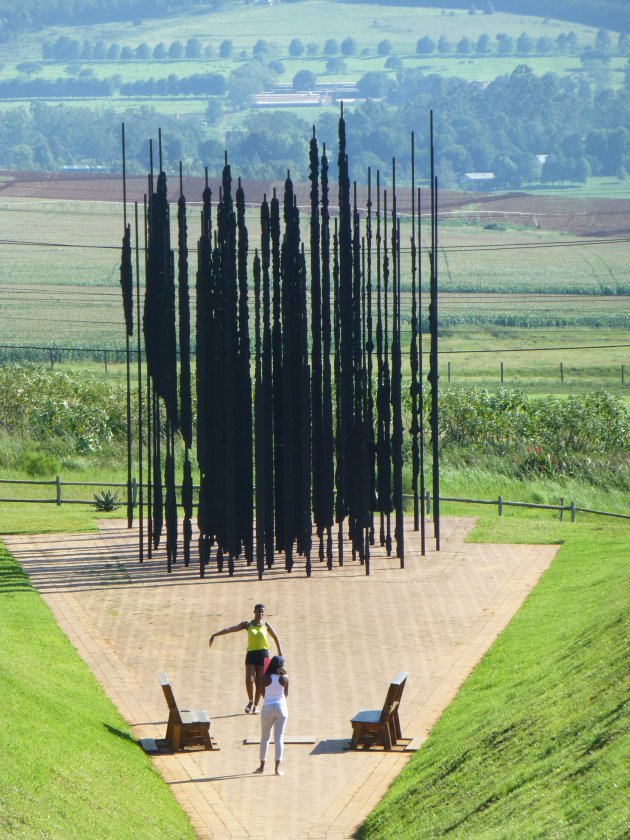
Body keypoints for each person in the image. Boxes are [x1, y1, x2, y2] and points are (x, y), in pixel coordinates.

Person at [208, 603, 282, 714]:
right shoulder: (248, 624)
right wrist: (215, 634)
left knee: (260, 682)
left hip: (264, 654)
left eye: (262, 612)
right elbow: (231, 629)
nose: (260, 613)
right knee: (249, 680)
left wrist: (280, 652)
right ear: (254, 612)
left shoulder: (266, 625)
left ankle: (256, 706)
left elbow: (275, 637)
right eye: (258, 611)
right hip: (251, 654)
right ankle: (250, 701)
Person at [254, 655, 289, 776]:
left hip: (267, 708)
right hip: (281, 709)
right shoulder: (285, 678)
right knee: (279, 738)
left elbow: (263, 693)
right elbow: (286, 694)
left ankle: (261, 767)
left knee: (264, 738)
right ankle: (277, 769)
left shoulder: (265, 677)